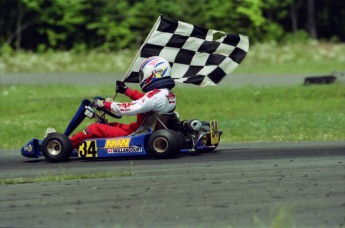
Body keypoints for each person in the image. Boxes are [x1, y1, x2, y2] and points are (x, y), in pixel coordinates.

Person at [68, 56, 176, 149]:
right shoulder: (166, 94)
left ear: (154, 73)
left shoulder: (155, 96)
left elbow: (130, 108)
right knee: (110, 125)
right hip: (144, 130)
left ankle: (67, 144)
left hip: (137, 134)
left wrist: (104, 104)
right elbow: (142, 99)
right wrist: (126, 90)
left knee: (95, 128)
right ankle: (78, 145)